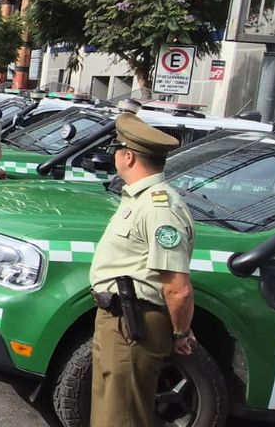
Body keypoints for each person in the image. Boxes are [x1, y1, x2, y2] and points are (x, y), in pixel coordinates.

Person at [88, 113, 192, 427]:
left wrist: (181, 332)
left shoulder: (159, 208)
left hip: (135, 325)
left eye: (116, 149)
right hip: (115, 319)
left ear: (128, 156)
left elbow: (177, 287)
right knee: (108, 413)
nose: (114, 155)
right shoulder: (140, 198)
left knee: (125, 417)